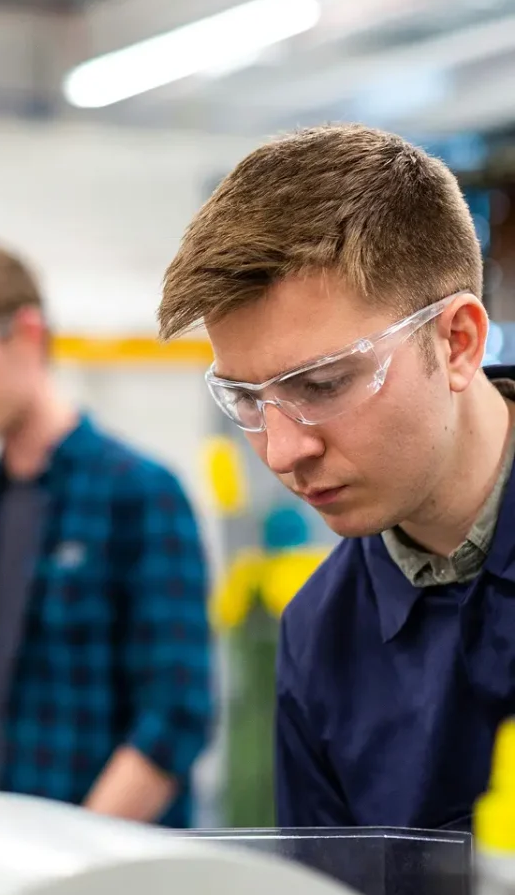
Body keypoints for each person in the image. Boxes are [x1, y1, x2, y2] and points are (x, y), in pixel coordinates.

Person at [157, 123, 515, 831]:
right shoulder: (320, 635)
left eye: (321, 385)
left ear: (457, 343)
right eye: (249, 401)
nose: (283, 452)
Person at [0, 244, 212, 828]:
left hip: (99, 877)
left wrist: (70, 860)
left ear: (26, 333)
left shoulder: (140, 494)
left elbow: (176, 716)